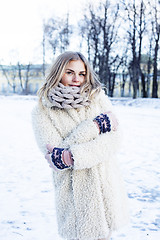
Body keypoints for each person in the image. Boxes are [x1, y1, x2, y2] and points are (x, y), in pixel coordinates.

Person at [32, 51, 129, 240]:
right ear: (58, 72)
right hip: (75, 193)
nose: (77, 78)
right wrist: (95, 127)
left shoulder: (96, 97)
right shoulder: (42, 111)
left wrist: (72, 155)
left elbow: (115, 139)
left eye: (82, 73)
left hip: (106, 187)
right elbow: (57, 157)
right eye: (70, 72)